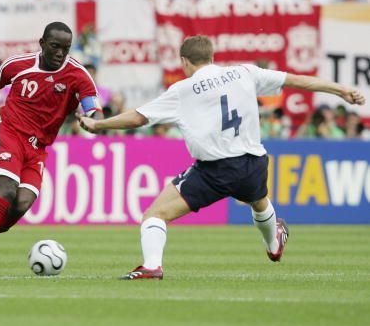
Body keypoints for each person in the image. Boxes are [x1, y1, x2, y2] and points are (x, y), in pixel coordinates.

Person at [78, 35, 366, 280]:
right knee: (259, 200)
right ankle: (274, 242)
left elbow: (139, 118)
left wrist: (98, 125)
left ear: (185, 62)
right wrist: (340, 90)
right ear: (212, 57)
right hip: (255, 163)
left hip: (214, 170)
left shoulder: (183, 89)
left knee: (155, 215)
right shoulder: (245, 72)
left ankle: (152, 265)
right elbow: (296, 80)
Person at [0, 22, 103, 277]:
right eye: (55, 46)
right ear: (42, 43)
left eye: (65, 48)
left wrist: (91, 119)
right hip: (10, 135)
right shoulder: (17, 65)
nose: (60, 53)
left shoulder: (78, 74)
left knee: (20, 205)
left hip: (38, 149)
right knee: (6, 192)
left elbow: (93, 108)